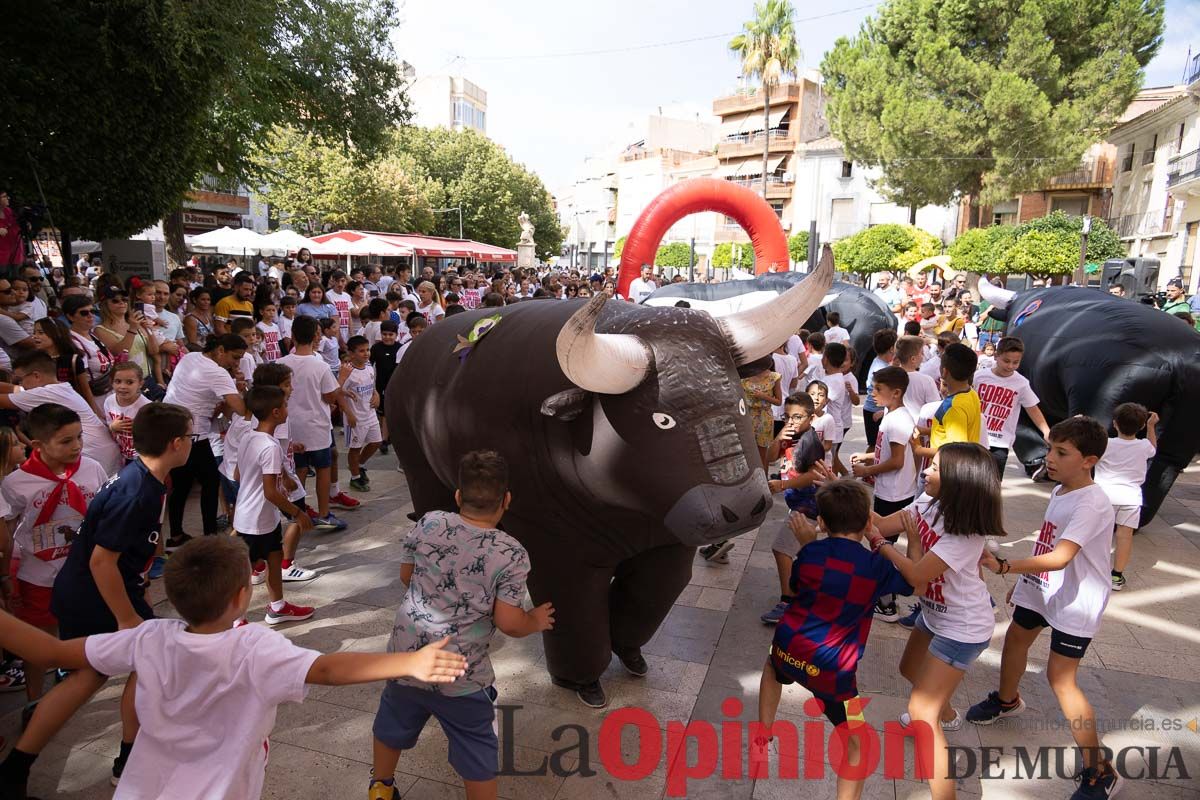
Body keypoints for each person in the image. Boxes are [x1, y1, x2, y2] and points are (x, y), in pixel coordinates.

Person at [369, 451, 554, 800]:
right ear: (507, 500)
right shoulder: (512, 553)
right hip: (462, 675)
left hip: (406, 660)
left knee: (391, 723)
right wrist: (535, 620)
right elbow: (508, 621)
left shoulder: (429, 523)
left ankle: (380, 788)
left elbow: (406, 575)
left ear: (457, 495)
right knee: (476, 747)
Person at [971, 417, 1120, 800]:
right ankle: (1007, 700)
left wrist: (1006, 567)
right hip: (1043, 588)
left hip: (1077, 601)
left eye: (1061, 452)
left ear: (1089, 460)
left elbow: (1062, 557)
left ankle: (1100, 769)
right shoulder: (1062, 490)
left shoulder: (1094, 503)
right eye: (1051, 448)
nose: (1050, 457)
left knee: (1061, 679)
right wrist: (1025, 584)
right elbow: (1048, 544)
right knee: (1016, 640)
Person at [754, 480, 913, 800]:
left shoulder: (811, 552)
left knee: (771, 669)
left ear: (822, 523)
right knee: (858, 743)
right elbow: (915, 583)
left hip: (788, 648)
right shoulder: (874, 566)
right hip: (832, 673)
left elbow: (796, 587)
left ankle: (763, 736)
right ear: (867, 521)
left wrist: (806, 544)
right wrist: (908, 540)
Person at [869, 443, 1003, 799]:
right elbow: (881, 522)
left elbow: (915, 577)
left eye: (937, 468)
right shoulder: (928, 503)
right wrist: (843, 495)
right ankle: (946, 712)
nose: (925, 471)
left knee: (920, 712)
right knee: (909, 670)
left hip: (963, 628)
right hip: (935, 614)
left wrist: (884, 543)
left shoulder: (965, 535)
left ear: (960, 482)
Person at [1, 404, 109, 707]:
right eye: (65, 441)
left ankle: (77, 682)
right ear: (37, 445)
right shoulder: (15, 483)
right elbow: (8, 530)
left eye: (79, 437)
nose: (76, 446)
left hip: (83, 570)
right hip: (38, 575)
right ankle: (34, 701)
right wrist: (7, 575)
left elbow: (102, 514)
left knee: (83, 631)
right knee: (39, 640)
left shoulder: (92, 468)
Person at [233, 385, 315, 625]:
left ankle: (277, 606)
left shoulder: (250, 436)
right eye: (286, 404)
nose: (288, 408)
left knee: (275, 557)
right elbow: (270, 492)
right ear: (276, 412)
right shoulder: (270, 446)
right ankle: (237, 621)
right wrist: (298, 513)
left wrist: (285, 478)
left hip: (257, 517)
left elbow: (239, 474)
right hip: (255, 520)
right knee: (243, 574)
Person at [162, 336, 247, 546]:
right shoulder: (217, 373)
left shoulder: (190, 358)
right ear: (220, 349)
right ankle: (209, 534)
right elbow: (240, 410)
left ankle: (176, 535)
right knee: (210, 481)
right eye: (235, 357)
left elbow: (215, 404)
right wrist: (240, 391)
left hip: (169, 428)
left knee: (181, 486)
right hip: (192, 435)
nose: (236, 363)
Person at [850, 366, 918, 622]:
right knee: (880, 542)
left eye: (879, 389)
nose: (873, 393)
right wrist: (869, 456)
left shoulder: (898, 420)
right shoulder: (892, 416)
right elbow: (890, 453)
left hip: (894, 493)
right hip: (891, 489)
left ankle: (886, 602)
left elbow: (898, 461)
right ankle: (883, 592)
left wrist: (867, 469)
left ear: (896, 392)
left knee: (881, 543)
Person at [760, 393, 830, 625]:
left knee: (781, 549)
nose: (791, 421)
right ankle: (804, 595)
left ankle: (787, 602)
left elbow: (814, 475)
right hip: (798, 505)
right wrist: (779, 436)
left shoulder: (810, 442)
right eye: (787, 416)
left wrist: (783, 484)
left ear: (811, 418)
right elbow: (770, 456)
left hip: (809, 506)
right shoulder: (790, 435)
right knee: (800, 553)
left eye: (797, 417)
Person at [0, 351, 122, 475]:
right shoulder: (60, 388)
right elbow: (15, 390)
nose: (21, 385)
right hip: (103, 453)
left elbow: (3, 400)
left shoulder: (44, 394)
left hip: (94, 457)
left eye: (20, 380)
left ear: (36, 376)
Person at [278, 316, 347, 531]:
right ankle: (324, 514)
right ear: (316, 336)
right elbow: (329, 397)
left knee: (298, 470)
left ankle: (295, 514)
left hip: (290, 426)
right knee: (323, 469)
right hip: (316, 427)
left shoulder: (281, 364)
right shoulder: (320, 366)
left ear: (294, 336)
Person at [1094, 402, 1157, 591]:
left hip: (1103, 495)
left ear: (1115, 424)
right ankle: (1116, 576)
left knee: (1097, 534)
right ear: (1141, 426)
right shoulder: (1144, 446)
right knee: (1124, 536)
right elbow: (1153, 448)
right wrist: (1152, 426)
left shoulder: (1105, 443)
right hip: (1130, 497)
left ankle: (1094, 570)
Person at [974, 337, 1050, 481]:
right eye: (1006, 361)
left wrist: (1046, 431)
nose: (1010, 366)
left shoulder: (1021, 383)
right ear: (996, 356)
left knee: (993, 482)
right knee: (972, 479)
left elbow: (1032, 408)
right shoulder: (980, 376)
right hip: (977, 437)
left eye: (1016, 362)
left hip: (1000, 441)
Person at [911, 344, 981, 464]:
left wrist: (919, 449)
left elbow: (955, 451)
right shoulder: (971, 393)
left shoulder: (954, 408)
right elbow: (945, 428)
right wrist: (923, 430)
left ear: (944, 372)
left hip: (947, 471)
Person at [339, 336, 382, 493]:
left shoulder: (369, 366)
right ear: (351, 353)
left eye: (367, 350)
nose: (366, 354)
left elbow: (371, 385)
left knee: (376, 442)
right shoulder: (348, 371)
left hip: (370, 414)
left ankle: (360, 465)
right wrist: (348, 413)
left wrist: (376, 394)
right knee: (355, 448)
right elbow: (339, 394)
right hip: (355, 417)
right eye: (361, 351)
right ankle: (355, 477)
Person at [103, 363, 151, 468]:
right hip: (121, 454)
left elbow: (155, 435)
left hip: (142, 457)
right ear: (112, 383)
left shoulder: (146, 407)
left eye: (129, 382)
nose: (123, 386)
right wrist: (113, 427)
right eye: (118, 381)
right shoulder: (109, 401)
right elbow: (108, 424)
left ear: (140, 384)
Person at [740, 357, 782, 472]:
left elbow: (779, 401)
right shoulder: (744, 376)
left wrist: (764, 397)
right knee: (748, 452)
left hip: (764, 417)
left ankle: (765, 482)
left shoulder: (774, 377)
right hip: (748, 416)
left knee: (762, 453)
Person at [861, 329, 897, 447]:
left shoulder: (878, 361)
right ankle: (861, 464)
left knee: (876, 447)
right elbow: (883, 395)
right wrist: (884, 411)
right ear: (892, 348)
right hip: (875, 411)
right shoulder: (882, 369)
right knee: (875, 448)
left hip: (872, 410)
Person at [370, 321, 401, 453]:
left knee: (394, 412)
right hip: (381, 384)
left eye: (391, 334)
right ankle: (384, 439)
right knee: (383, 412)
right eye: (384, 334)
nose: (387, 337)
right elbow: (369, 365)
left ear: (396, 335)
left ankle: (391, 435)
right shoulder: (376, 349)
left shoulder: (400, 348)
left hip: (396, 384)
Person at [895, 335, 941, 421]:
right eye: (921, 353)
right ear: (913, 359)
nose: (923, 356)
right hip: (919, 427)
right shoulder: (926, 380)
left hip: (895, 424)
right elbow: (934, 408)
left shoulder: (890, 376)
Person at [182, 287, 215, 352]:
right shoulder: (191, 319)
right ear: (194, 300)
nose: (206, 302)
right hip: (197, 353)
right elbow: (193, 343)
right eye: (203, 299)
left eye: (208, 300)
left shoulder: (207, 316)